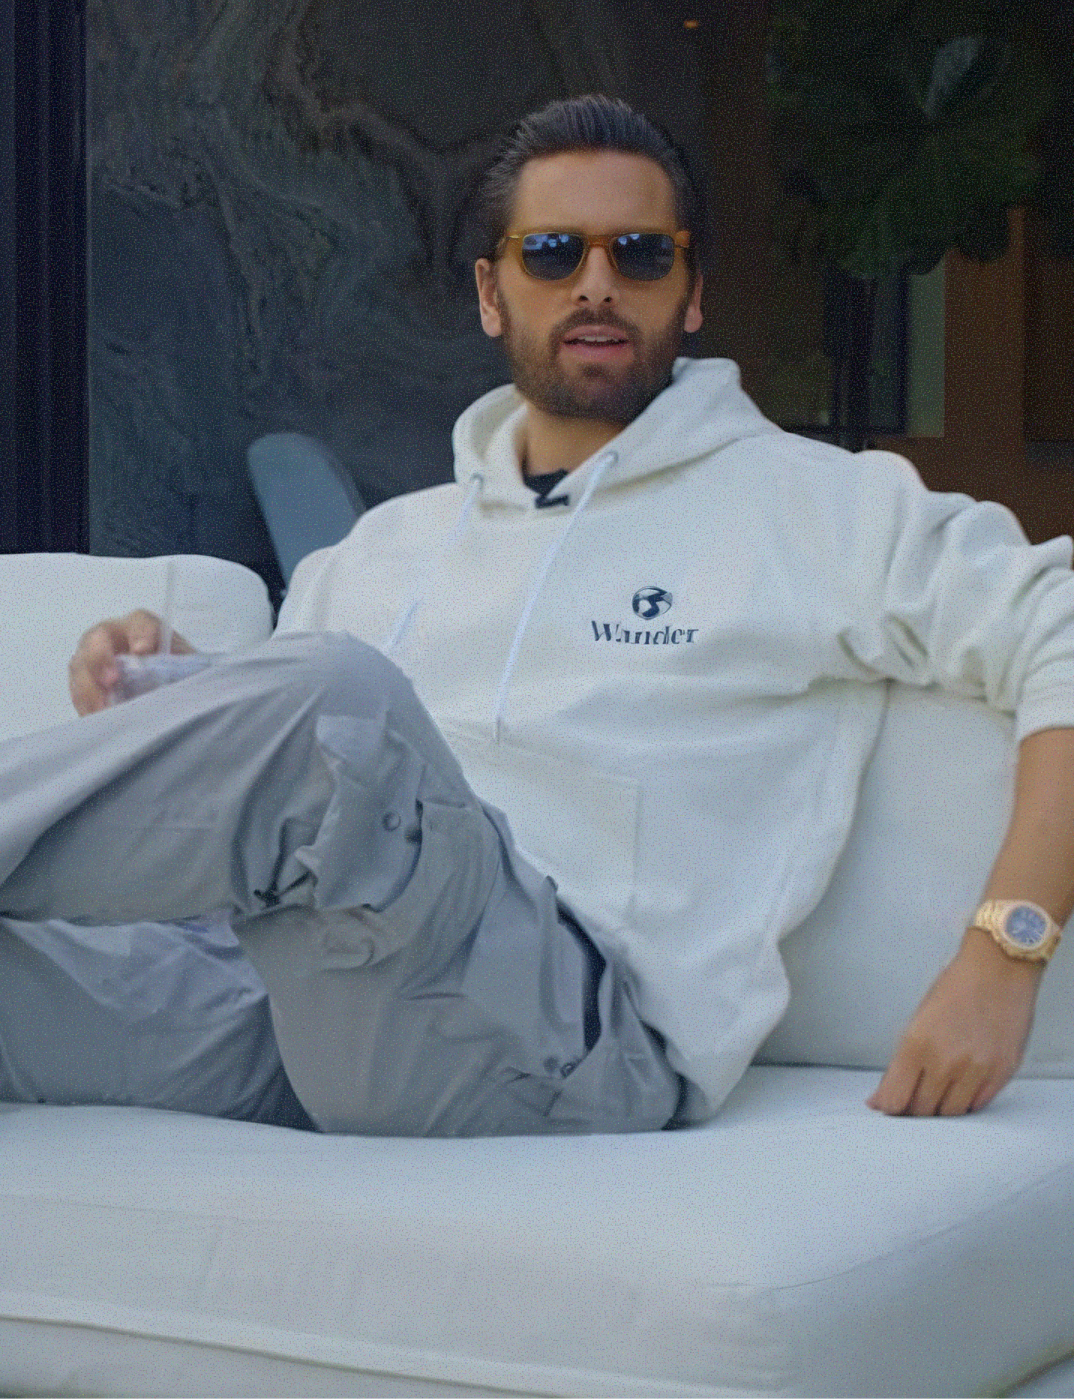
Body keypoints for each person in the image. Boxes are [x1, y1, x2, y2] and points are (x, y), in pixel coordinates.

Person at [6, 95, 1074, 1134]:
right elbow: (322, 802)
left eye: (640, 255)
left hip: (576, 1036)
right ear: (491, 292)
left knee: (335, 698)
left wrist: (1005, 953)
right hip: (304, 999)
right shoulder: (385, 547)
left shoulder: (821, 507)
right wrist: (182, 694)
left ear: (692, 293)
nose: (596, 284)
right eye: (554, 253)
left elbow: (1060, 626)